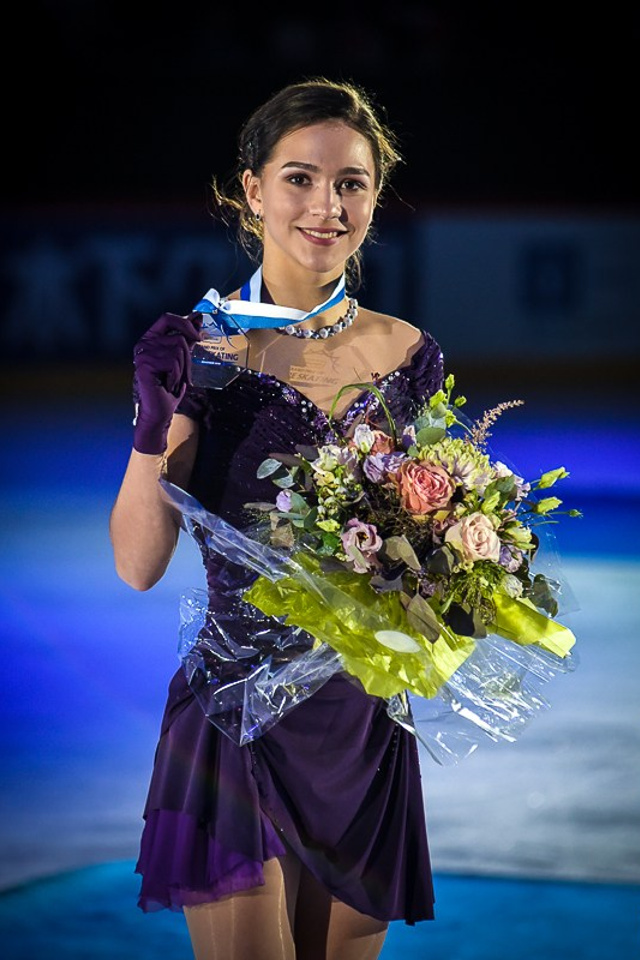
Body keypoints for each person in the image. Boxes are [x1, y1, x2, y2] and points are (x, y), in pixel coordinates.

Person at [110, 77, 445, 960]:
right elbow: (138, 565)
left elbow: (422, 547)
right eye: (300, 178)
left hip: (366, 723)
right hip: (238, 718)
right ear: (252, 190)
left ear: (377, 193)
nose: (327, 207)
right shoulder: (204, 350)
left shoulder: (408, 351)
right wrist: (155, 424)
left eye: (352, 183)